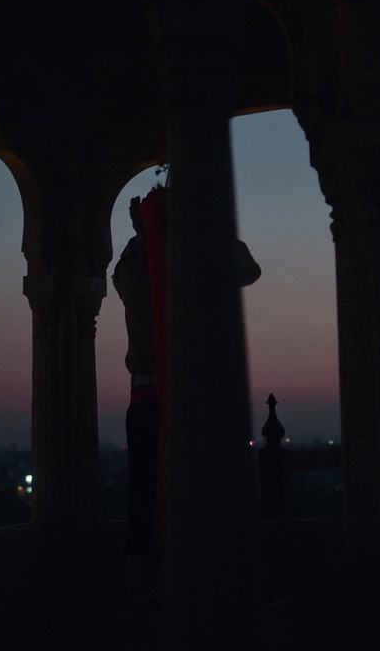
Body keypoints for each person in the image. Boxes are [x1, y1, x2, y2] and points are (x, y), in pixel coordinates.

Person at [113, 184, 261, 560]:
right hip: (152, 397)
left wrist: (197, 228)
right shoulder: (139, 266)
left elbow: (247, 269)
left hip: (188, 397)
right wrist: (150, 238)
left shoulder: (192, 261)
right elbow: (134, 288)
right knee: (148, 494)